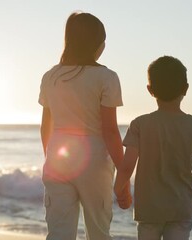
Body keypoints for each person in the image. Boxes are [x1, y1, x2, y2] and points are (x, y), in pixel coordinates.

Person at [39, 12, 130, 240]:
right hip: (95, 159)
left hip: (58, 156)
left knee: (59, 231)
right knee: (99, 231)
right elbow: (110, 130)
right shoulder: (106, 77)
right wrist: (124, 175)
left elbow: (45, 126)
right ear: (97, 44)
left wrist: (49, 158)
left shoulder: (50, 76)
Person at [114, 56, 192, 240]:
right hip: (180, 208)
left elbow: (127, 165)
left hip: (148, 209)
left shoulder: (140, 124)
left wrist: (120, 189)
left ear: (150, 90)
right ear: (186, 89)